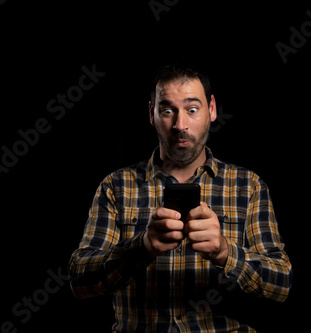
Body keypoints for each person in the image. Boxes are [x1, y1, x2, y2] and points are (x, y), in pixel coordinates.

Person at [69, 64, 292, 332]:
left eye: (192, 109)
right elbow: (80, 281)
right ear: (151, 114)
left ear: (211, 110)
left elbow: (281, 284)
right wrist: (142, 248)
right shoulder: (116, 186)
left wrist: (225, 252)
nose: (180, 125)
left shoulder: (249, 186)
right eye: (167, 110)